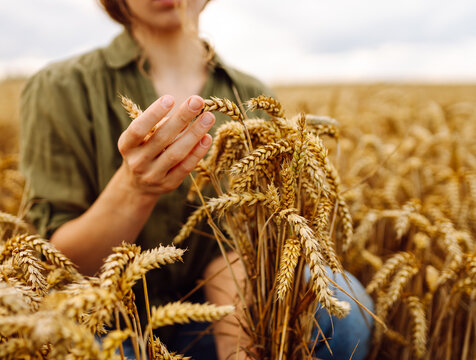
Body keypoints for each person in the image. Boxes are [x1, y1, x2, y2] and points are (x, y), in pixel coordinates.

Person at [20, 0, 374, 359]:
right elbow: (64, 268)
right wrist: (134, 187)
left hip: (213, 319)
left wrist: (239, 342)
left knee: (345, 308)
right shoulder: (60, 87)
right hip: (102, 325)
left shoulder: (250, 95)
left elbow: (248, 244)